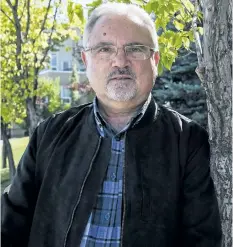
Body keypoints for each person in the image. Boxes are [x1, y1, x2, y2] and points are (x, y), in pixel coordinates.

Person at [1, 3, 222, 247]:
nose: (120, 61)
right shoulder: (49, 134)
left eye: (135, 49)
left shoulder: (188, 141)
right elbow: (9, 225)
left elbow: (202, 239)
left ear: (155, 60)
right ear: (86, 60)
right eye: (105, 49)